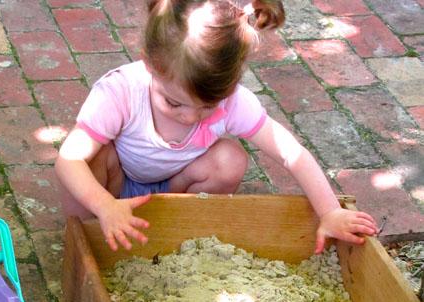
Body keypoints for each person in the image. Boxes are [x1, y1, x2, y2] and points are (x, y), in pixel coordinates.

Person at [55, 0, 378, 253]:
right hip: (115, 182)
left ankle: (179, 223)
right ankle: (87, 235)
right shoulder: (121, 91)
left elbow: (290, 153)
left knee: (231, 158)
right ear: (150, 65)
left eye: (208, 107)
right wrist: (105, 205)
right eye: (174, 103)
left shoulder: (235, 101)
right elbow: (67, 160)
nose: (190, 118)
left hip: (171, 186)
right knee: (93, 157)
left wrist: (329, 212)